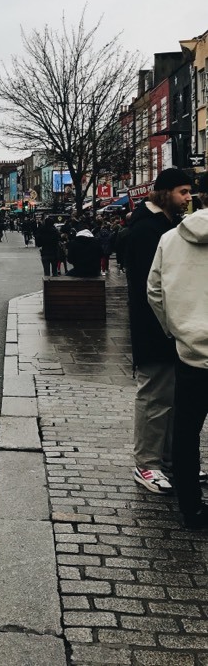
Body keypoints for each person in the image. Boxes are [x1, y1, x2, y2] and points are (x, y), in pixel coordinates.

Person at [126, 167, 193, 494]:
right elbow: (150, 289)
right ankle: (147, 465)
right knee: (154, 398)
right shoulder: (147, 231)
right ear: (165, 193)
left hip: (171, 328)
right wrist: (168, 325)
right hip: (154, 330)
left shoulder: (164, 226)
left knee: (172, 400)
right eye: (182, 191)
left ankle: (166, 463)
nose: (188, 197)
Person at [147, 172, 208, 528]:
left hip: (190, 354)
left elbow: (154, 291)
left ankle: (191, 508)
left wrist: (175, 330)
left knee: (185, 435)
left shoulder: (170, 239)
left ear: (200, 197)